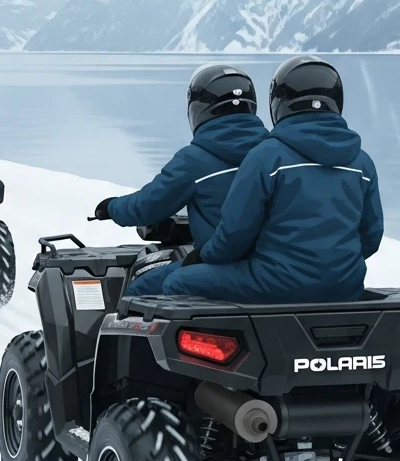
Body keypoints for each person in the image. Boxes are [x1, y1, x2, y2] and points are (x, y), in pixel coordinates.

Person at [162, 56, 384, 304]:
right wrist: (332, 268)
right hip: (346, 286)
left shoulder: (266, 157)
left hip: (275, 284)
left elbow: (235, 234)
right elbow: (371, 236)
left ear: (279, 103)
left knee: (177, 280)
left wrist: (203, 256)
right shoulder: (362, 162)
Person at [93, 64, 267, 295]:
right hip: (274, 264)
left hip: (222, 265)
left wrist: (111, 208)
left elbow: (147, 206)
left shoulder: (194, 160)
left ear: (198, 109)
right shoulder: (274, 151)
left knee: (140, 289)